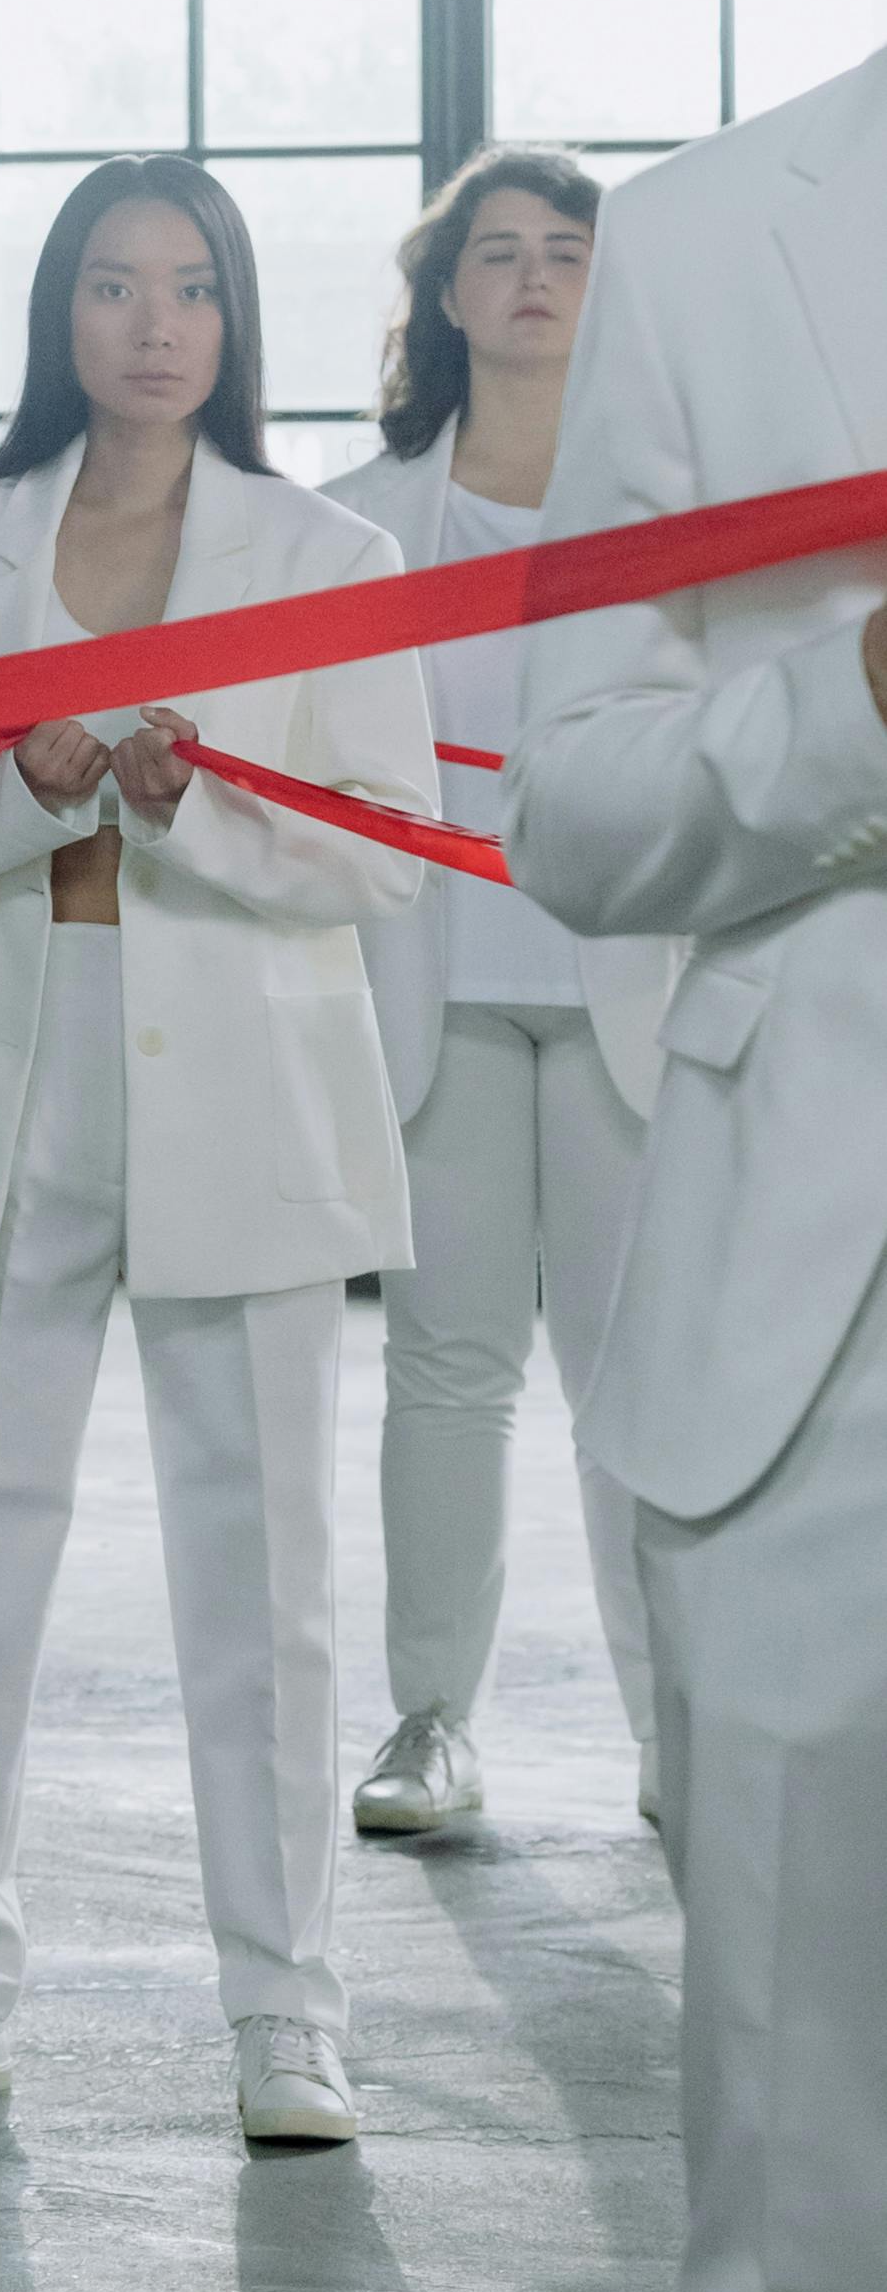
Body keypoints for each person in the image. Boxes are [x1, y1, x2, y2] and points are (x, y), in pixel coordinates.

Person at [515, 0, 887, 2292]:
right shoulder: (722, 247)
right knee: (809, 2217)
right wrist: (849, 710)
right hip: (818, 1325)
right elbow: (581, 801)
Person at [0, 159, 434, 2155]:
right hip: (14, 1070)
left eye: (184, 287)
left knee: (261, 1576)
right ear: (53, 314)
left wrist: (184, 802)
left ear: (232, 318)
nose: (148, 322)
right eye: (108, 285)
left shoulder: (321, 547)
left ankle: (285, 2010)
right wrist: (17, 781)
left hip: (242, 1093)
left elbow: (375, 849)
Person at [332, 150, 674, 1851]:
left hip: (634, 984)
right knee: (446, 1367)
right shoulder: (358, 515)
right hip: (438, 989)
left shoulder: (683, 504)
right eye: (497, 252)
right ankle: (430, 1719)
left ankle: (678, 1734)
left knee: (638, 1376)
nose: (532, 277)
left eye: (565, 250)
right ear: (446, 292)